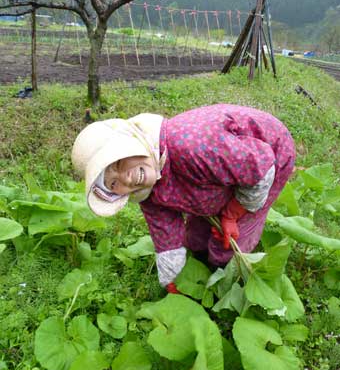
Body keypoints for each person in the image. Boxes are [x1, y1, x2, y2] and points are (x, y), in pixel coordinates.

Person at [71, 104, 296, 293]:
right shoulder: (146, 189)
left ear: (132, 142)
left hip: (268, 156)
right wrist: (172, 283)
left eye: (118, 162)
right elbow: (166, 234)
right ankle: (200, 264)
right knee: (197, 237)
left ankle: (225, 288)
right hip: (218, 172)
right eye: (112, 183)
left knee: (228, 242)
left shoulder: (191, 146)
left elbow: (261, 167)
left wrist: (232, 214)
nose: (126, 178)